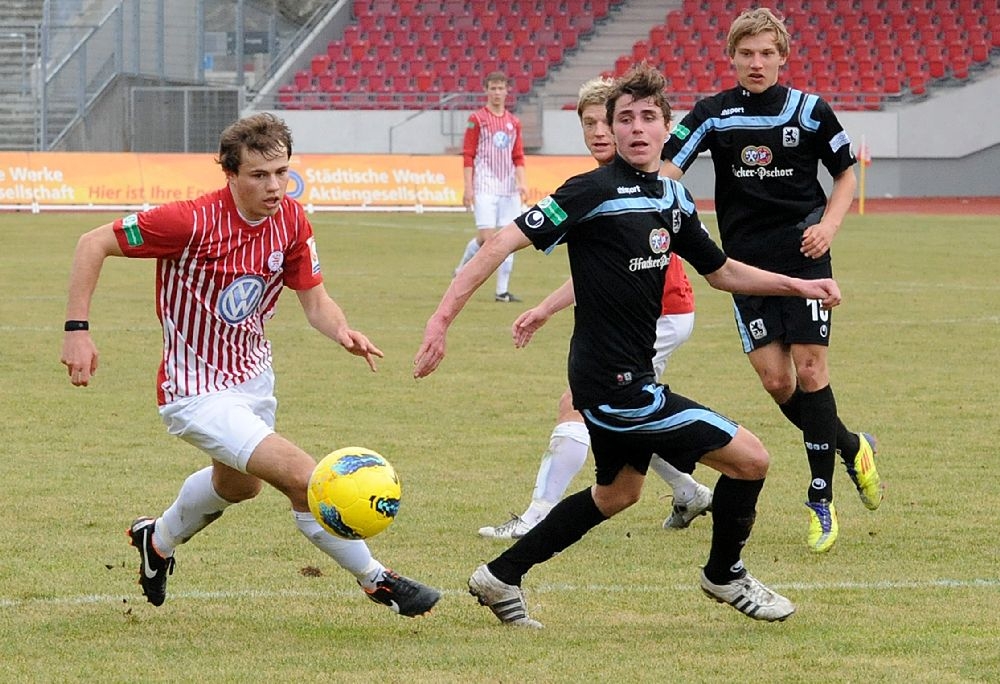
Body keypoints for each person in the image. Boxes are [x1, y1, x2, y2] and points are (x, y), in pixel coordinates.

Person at [415, 63, 843, 627]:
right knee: (751, 459)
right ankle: (725, 574)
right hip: (614, 384)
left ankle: (500, 576)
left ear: (667, 127)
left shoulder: (672, 197)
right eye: (624, 119)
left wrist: (797, 284)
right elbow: (499, 243)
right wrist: (440, 321)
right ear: (612, 130)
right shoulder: (589, 191)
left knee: (617, 493)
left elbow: (720, 272)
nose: (636, 128)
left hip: (630, 376)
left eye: (647, 117)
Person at [60, 113, 441, 617]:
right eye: (259, 175)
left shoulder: (292, 220)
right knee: (305, 479)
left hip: (254, 378)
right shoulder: (188, 221)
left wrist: (342, 331)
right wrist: (77, 330)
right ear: (230, 174)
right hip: (195, 390)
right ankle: (378, 581)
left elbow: (315, 300)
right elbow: (93, 243)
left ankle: (156, 540)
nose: (275, 186)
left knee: (238, 486)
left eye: (282, 172)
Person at [660, 7, 883, 554]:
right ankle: (851, 446)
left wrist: (828, 227)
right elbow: (667, 171)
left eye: (766, 53)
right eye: (746, 54)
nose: (756, 63)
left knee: (810, 369)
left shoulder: (810, 111)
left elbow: (845, 174)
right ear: (731, 57)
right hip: (745, 269)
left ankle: (820, 498)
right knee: (777, 382)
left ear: (782, 57)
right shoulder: (713, 113)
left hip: (805, 255)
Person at [477, 77, 711, 540]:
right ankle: (688, 490)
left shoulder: (641, 181)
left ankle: (538, 515)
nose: (599, 132)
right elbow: (600, 273)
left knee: (580, 403)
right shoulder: (600, 185)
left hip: (662, 314)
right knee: (629, 415)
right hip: (651, 317)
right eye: (589, 123)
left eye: (607, 121)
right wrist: (546, 308)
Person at [454, 71, 528, 303]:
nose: (497, 92)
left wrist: (523, 182)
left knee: (509, 239)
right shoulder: (476, 119)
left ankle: (501, 291)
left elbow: (518, 155)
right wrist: (468, 187)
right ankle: (462, 271)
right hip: (485, 185)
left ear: (507, 91)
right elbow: (468, 154)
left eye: (501, 88)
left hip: (508, 187)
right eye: (493, 88)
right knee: (487, 239)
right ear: (486, 90)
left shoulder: (514, 122)